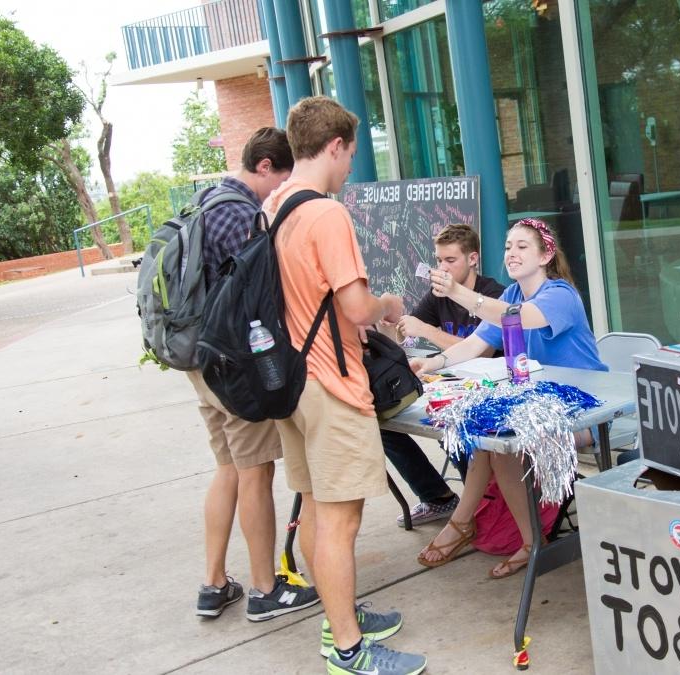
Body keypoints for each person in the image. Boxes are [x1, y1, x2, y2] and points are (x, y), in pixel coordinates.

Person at [266, 96, 426, 675]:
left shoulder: (276, 203)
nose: (350, 167)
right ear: (333, 146)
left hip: (291, 380)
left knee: (314, 504)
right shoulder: (325, 213)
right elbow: (354, 305)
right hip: (331, 382)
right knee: (341, 520)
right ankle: (351, 650)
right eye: (351, 154)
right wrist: (387, 303)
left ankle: (339, 621)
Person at [409, 217, 607, 579]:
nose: (511, 254)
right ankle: (483, 528)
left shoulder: (559, 294)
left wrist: (457, 292)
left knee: (502, 445)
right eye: (507, 247)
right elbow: (475, 344)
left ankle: (518, 540)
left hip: (588, 409)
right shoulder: (512, 294)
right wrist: (430, 362)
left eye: (522, 246)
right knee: (486, 438)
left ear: (546, 255)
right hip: (538, 404)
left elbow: (517, 319)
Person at [187, 127, 321, 621]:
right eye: (283, 177)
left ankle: (214, 581)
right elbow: (263, 294)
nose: (284, 188)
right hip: (232, 364)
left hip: (200, 360)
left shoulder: (207, 200)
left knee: (227, 468)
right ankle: (266, 589)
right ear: (265, 166)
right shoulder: (241, 214)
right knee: (255, 471)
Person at [382, 223, 505, 528]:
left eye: (451, 260)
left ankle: (484, 503)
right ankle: (437, 497)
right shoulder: (438, 295)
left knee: (448, 423)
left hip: (492, 389)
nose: (442, 268)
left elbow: (481, 350)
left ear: (473, 259)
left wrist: (425, 331)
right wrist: (388, 322)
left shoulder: (492, 294)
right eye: (438, 261)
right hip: (450, 385)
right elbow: (404, 335)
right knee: (383, 422)